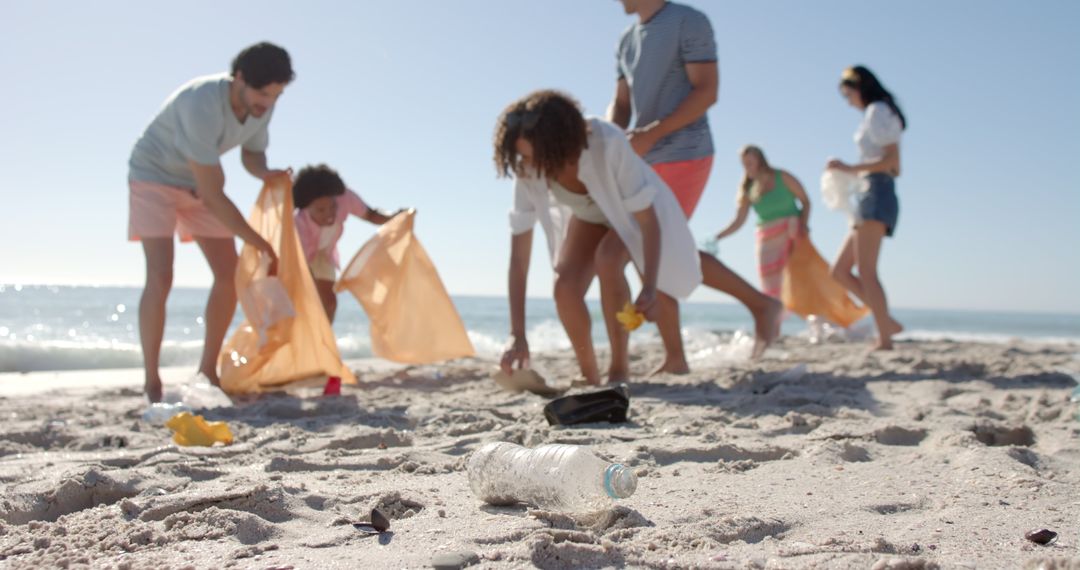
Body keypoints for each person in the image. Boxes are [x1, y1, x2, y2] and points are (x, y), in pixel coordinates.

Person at [496, 90, 781, 386]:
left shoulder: (606, 141)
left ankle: (619, 369)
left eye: (537, 155)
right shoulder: (527, 168)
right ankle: (589, 374)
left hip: (634, 210)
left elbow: (647, 221)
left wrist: (649, 287)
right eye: (522, 155)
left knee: (611, 259)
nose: (530, 164)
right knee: (564, 284)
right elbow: (519, 258)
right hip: (590, 215)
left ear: (560, 141)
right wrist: (517, 333)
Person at [128, 42, 294, 402]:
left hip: (196, 183)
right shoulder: (201, 102)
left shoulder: (261, 107)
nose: (268, 103)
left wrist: (266, 173)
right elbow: (215, 194)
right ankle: (152, 381)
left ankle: (208, 369)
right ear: (239, 79)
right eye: (263, 93)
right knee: (161, 274)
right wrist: (258, 241)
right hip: (152, 175)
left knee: (228, 273)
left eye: (277, 95)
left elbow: (252, 153)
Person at [600, 0, 720, 381]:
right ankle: (641, 361)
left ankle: (667, 358)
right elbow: (621, 105)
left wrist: (652, 133)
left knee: (642, 251)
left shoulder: (689, 21)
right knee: (619, 254)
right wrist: (607, 139)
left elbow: (706, 92)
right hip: (642, 157)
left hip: (686, 153)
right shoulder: (626, 39)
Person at [826, 65, 906, 350]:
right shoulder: (877, 113)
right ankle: (887, 322)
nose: (848, 102)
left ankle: (884, 338)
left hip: (877, 190)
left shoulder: (878, 111)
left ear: (859, 88)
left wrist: (850, 167)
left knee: (867, 270)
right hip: (869, 191)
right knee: (840, 270)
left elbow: (893, 163)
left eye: (848, 95)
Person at [292, 164, 401, 321]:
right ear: (306, 209)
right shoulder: (298, 223)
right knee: (301, 303)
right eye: (321, 210)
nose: (329, 214)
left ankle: (324, 341)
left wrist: (396, 215)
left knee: (329, 304)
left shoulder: (345, 198)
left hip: (325, 254)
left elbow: (371, 215)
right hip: (299, 259)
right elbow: (301, 265)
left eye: (332, 207)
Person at [714, 146, 811, 299]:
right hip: (766, 239)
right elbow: (738, 221)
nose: (747, 167)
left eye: (750, 163)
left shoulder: (782, 176)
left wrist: (803, 225)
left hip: (792, 233)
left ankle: (815, 318)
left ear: (760, 161)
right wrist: (717, 237)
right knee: (771, 287)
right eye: (744, 164)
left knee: (799, 278)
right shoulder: (747, 188)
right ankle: (775, 320)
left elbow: (805, 201)